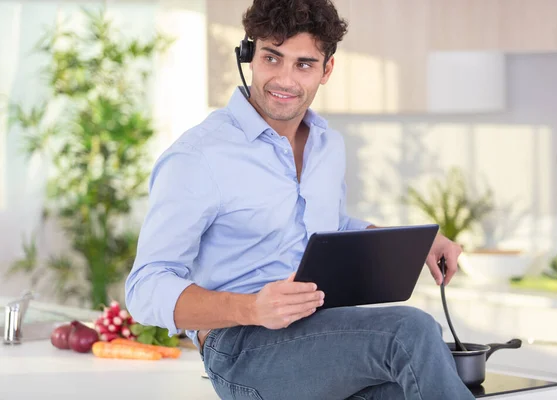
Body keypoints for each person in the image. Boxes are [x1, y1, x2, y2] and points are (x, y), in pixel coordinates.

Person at [125, 0, 475, 398]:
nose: (284, 80)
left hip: (319, 337)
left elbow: (334, 228)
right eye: (272, 58)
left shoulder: (328, 145)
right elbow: (145, 287)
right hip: (241, 348)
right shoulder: (198, 157)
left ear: (326, 70)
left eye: (304, 64)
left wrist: (418, 242)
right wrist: (252, 307)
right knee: (410, 332)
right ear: (249, 55)